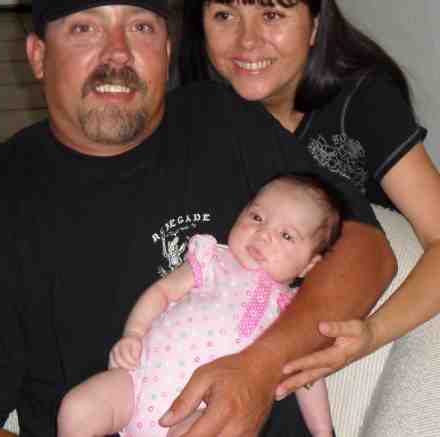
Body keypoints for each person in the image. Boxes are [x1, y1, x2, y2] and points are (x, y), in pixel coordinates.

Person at [0, 0, 395, 437]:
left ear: (167, 50)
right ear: (39, 55)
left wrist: (261, 367)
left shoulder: (224, 120)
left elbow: (368, 249)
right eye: (85, 29)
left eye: (142, 28)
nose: (118, 54)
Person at [175, 0, 440, 402]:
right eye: (224, 15)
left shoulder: (364, 101)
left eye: (272, 14)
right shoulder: (198, 112)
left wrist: (370, 334)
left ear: (315, 24)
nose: (247, 41)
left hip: (381, 311)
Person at [57, 173, 342, 437]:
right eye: (257, 216)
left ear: (309, 265)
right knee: (76, 409)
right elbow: (162, 292)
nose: (263, 234)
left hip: (201, 412)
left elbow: (308, 376)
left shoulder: (292, 310)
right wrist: (134, 333)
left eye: (286, 235)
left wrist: (322, 432)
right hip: (137, 383)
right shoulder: (211, 259)